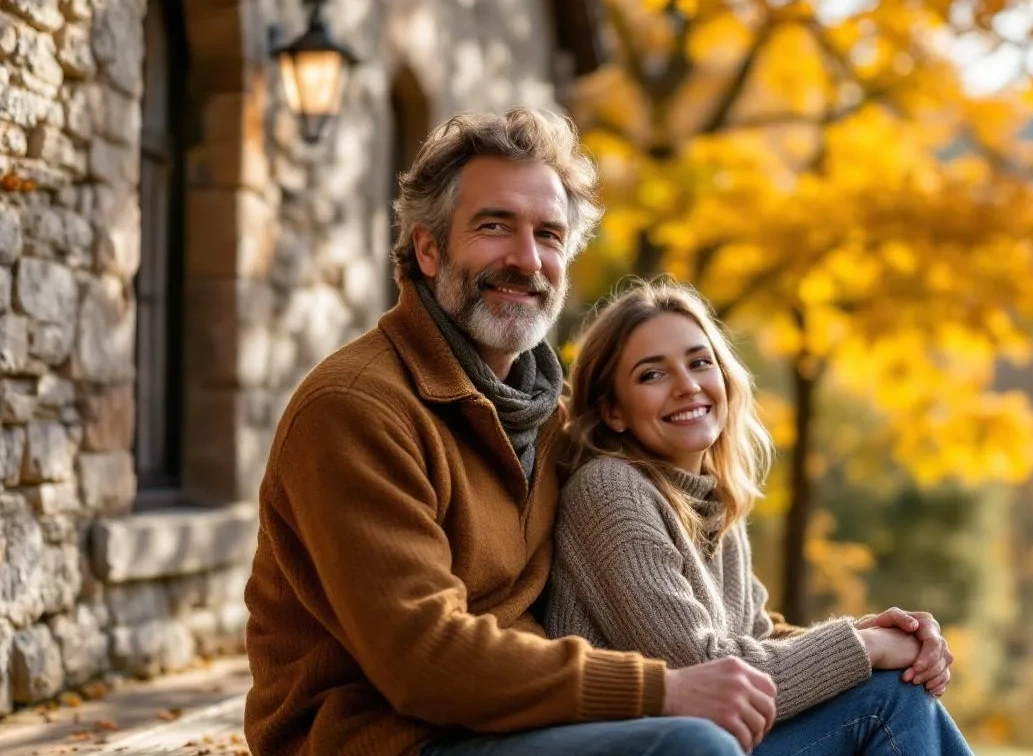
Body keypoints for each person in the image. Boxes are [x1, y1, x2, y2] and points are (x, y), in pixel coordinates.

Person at [243, 109, 777, 756]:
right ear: (428, 248)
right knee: (692, 746)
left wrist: (858, 643)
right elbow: (424, 660)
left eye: (549, 235)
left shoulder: (552, 418)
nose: (527, 260)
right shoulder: (357, 410)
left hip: (532, 726)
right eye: (495, 226)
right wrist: (659, 690)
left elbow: (691, 592)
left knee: (881, 700)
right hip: (393, 740)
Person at [546, 279, 975, 755]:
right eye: (652, 375)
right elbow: (705, 670)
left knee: (895, 687)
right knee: (889, 701)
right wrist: (866, 649)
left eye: (699, 362)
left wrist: (871, 634)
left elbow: (756, 637)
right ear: (613, 412)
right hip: (647, 747)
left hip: (717, 740)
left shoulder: (710, 499)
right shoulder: (610, 492)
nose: (688, 386)